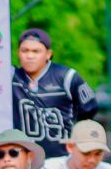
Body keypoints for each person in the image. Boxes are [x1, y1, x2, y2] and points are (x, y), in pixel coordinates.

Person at [12, 28, 99, 159]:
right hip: (24, 161)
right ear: (18, 53)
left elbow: (90, 108)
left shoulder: (67, 77)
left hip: (61, 158)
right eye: (25, 50)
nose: (30, 56)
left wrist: (76, 136)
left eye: (36, 51)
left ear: (48, 54)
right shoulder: (11, 77)